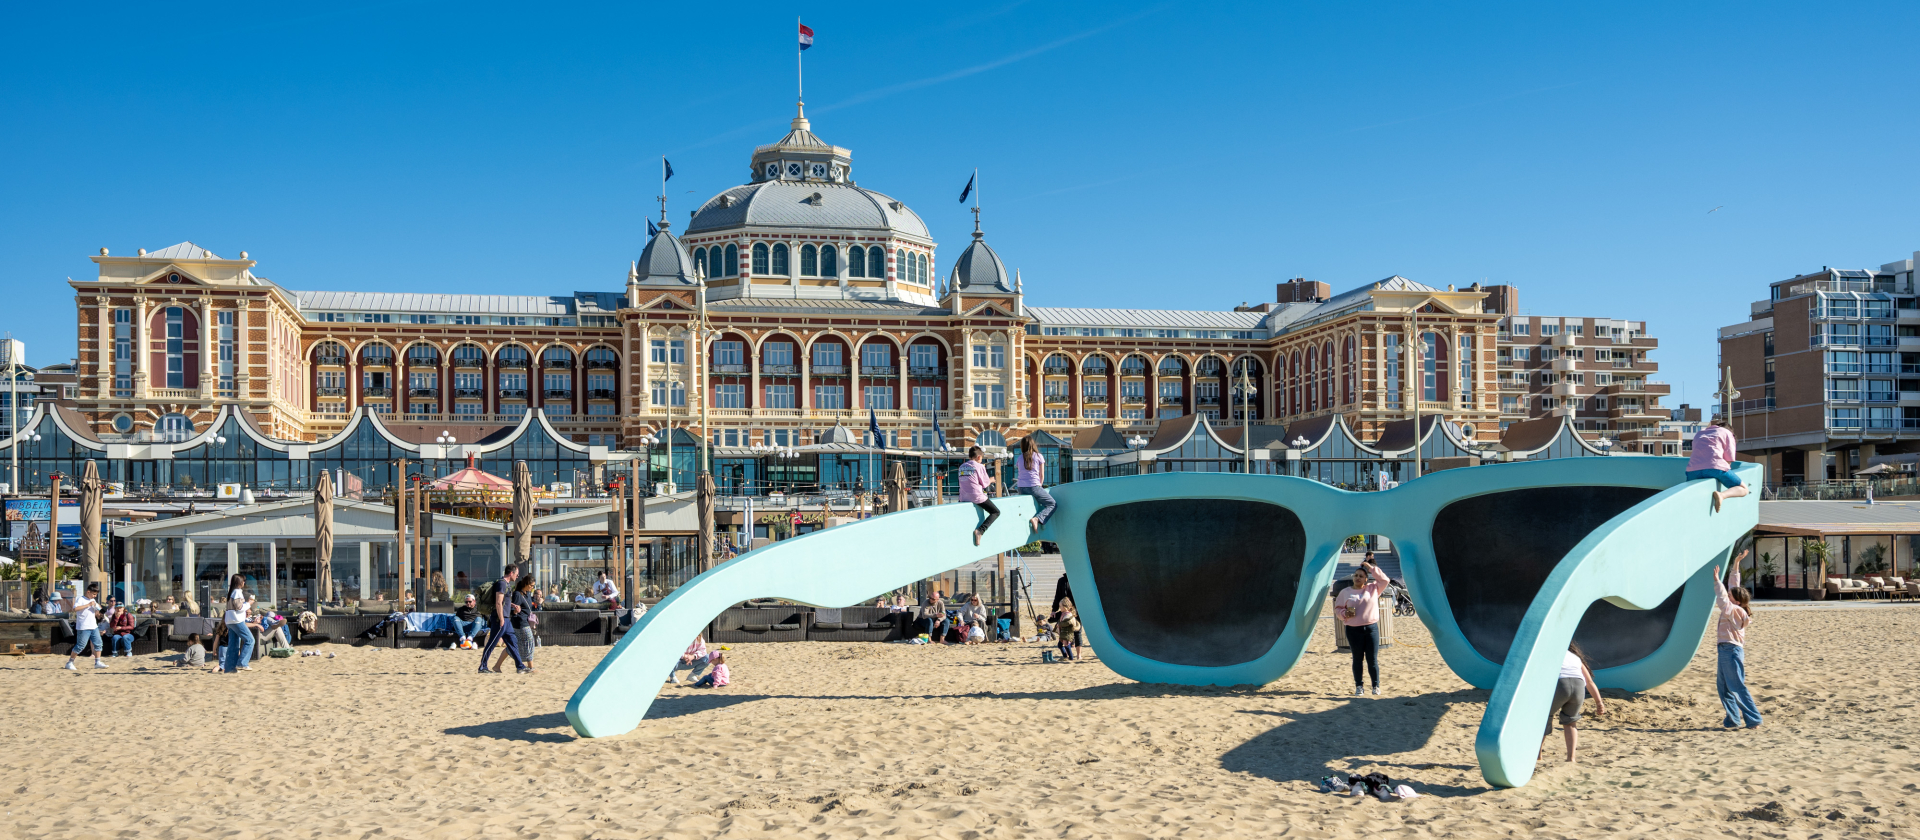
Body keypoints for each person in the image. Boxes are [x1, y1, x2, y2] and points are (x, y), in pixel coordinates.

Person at [1334, 558, 1396, 696]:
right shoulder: (1345, 592)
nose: (1357, 578)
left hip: (1371, 629)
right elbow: (1337, 609)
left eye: (1361, 576)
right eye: (1356, 575)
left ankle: (1375, 686)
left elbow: (1385, 580)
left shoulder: (1373, 588)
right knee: (1357, 659)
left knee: (1372, 659)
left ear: (1366, 580)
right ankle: (1359, 686)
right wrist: (1344, 613)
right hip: (1353, 630)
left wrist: (1370, 567)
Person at [1714, 555, 1763, 729]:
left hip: (1731, 651)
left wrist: (1717, 581)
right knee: (1724, 687)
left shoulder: (1734, 610)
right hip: (1726, 650)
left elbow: (1722, 599)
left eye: (1730, 595)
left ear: (1736, 600)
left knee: (1736, 686)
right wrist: (1736, 564)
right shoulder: (1737, 606)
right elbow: (1734, 587)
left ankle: (1754, 719)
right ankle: (1733, 719)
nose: (1728, 594)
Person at [1543, 642, 1605, 763]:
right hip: (1579, 687)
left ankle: (1538, 755)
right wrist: (1599, 702)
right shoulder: (1576, 658)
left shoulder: (1550, 654)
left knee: (1544, 719)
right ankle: (1571, 758)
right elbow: (1589, 682)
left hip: (1561, 685)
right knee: (1571, 722)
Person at [1688, 419, 1750, 513]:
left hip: (1692, 470)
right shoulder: (1727, 433)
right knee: (1744, 489)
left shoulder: (1699, 434)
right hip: (1715, 467)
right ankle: (1722, 495)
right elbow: (1729, 460)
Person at [478, 563, 527, 674]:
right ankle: (482, 666)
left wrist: (512, 605)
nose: (517, 576)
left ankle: (520, 666)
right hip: (500, 619)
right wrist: (501, 619)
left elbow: (504, 601)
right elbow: (498, 603)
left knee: (513, 642)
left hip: (506, 620)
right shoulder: (501, 584)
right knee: (492, 643)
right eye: (517, 574)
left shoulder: (507, 584)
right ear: (511, 573)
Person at [491, 575, 538, 674]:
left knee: (513, 645)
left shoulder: (527, 594)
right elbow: (511, 610)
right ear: (526, 584)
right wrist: (516, 611)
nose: (532, 587)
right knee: (529, 643)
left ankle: (497, 666)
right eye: (531, 585)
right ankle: (530, 667)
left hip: (525, 622)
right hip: (520, 623)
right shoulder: (517, 594)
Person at [1014, 436, 1057, 533]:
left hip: (1021, 488)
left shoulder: (1020, 458)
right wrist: (1039, 487)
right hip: (1033, 486)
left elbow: (1020, 471)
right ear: (1033, 444)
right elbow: (1041, 475)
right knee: (1052, 504)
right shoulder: (1038, 456)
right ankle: (1037, 519)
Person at [959, 446, 1000, 546]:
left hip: (963, 497)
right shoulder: (979, 466)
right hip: (976, 497)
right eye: (981, 458)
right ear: (978, 457)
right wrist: (991, 480)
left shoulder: (961, 467)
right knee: (995, 512)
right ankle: (980, 531)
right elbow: (985, 483)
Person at [64, 582, 107, 671]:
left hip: (93, 626)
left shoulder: (93, 600)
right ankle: (70, 662)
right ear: (88, 592)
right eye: (94, 594)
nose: (95, 596)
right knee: (80, 645)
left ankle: (97, 662)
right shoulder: (81, 599)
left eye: (96, 594)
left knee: (98, 643)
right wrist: (88, 605)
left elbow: (97, 611)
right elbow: (75, 609)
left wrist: (100, 610)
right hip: (83, 627)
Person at [220, 575, 255, 674]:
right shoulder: (237, 592)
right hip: (236, 620)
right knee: (250, 640)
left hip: (230, 620)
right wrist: (249, 603)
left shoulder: (232, 592)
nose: (244, 582)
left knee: (233, 645)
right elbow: (239, 607)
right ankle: (242, 663)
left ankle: (230, 668)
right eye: (243, 580)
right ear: (239, 581)